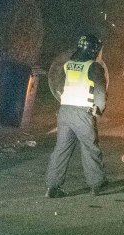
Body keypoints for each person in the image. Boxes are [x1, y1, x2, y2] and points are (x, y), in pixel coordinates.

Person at [45, 34, 108, 198]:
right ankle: (96, 185)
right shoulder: (94, 67)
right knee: (90, 149)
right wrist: (99, 109)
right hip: (82, 113)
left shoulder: (69, 64)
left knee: (61, 149)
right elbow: (100, 91)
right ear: (93, 49)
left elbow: (60, 86)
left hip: (65, 112)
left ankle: (52, 187)